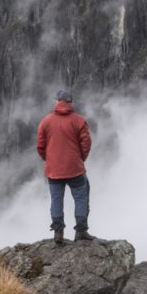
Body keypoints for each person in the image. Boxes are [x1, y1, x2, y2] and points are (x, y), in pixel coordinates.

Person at [36, 88, 93, 243]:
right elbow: (86, 143)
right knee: (81, 198)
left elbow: (40, 146)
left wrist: (48, 159)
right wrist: (80, 159)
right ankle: (81, 232)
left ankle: (58, 234)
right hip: (75, 169)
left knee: (56, 200)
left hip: (53, 170)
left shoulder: (46, 121)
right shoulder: (79, 120)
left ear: (57, 102)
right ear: (70, 102)